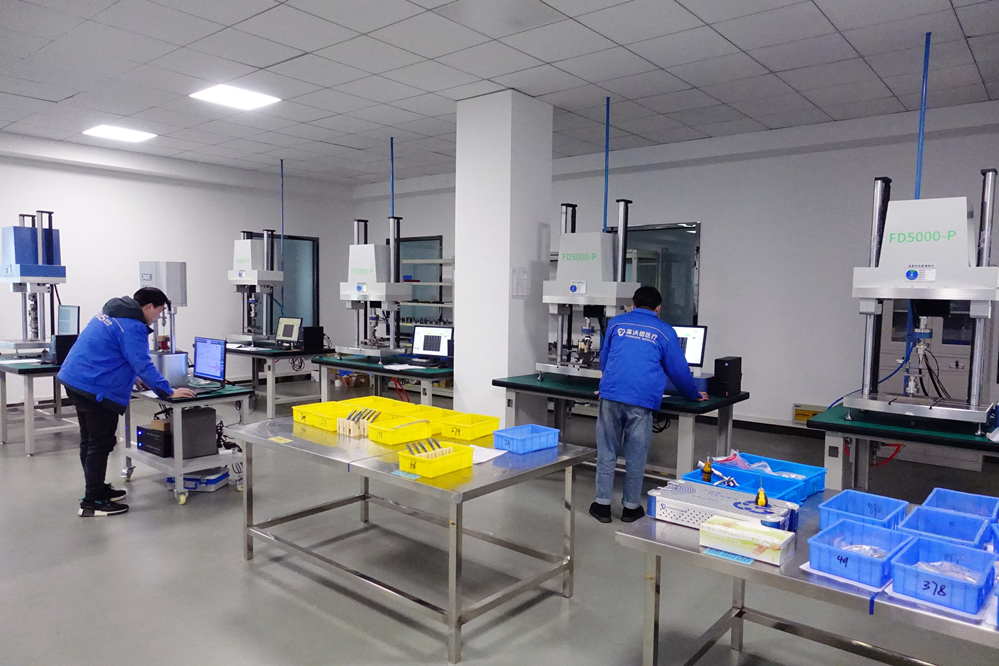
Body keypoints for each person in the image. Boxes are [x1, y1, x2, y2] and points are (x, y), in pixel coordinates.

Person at [58, 287, 195, 517]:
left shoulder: (113, 313)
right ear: (149, 307)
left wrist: (135, 377)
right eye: (159, 311)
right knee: (100, 444)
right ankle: (92, 502)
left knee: (89, 441)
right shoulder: (132, 325)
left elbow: (114, 351)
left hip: (75, 379)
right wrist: (168, 392)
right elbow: (142, 362)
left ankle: (97, 488)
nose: (159, 317)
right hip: (94, 387)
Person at [589, 286, 708, 524]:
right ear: (658, 308)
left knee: (607, 451)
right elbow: (678, 370)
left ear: (633, 305)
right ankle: (631, 508)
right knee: (636, 454)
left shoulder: (615, 324)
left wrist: (612, 381)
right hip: (641, 400)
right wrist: (693, 394)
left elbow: (605, 357)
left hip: (611, 395)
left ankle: (602, 505)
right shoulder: (665, 331)